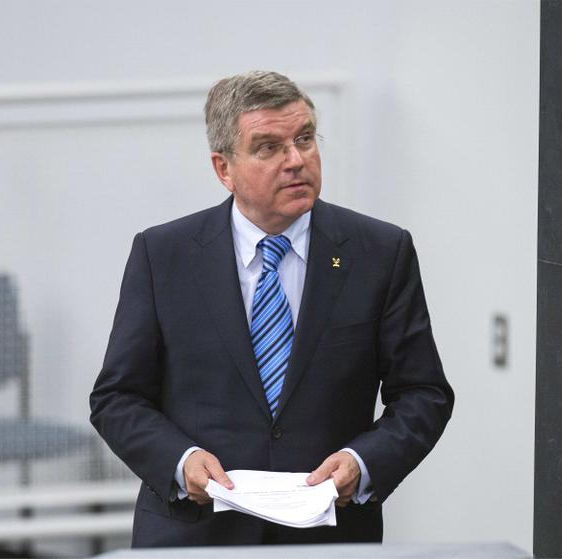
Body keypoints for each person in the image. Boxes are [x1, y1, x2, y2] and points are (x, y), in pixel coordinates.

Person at [89, 70, 454, 547]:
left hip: (326, 537)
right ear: (224, 168)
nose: (296, 160)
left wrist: (363, 463)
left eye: (304, 139)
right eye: (268, 147)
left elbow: (424, 393)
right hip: (194, 536)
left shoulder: (380, 252)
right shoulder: (164, 256)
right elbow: (116, 398)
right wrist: (181, 461)